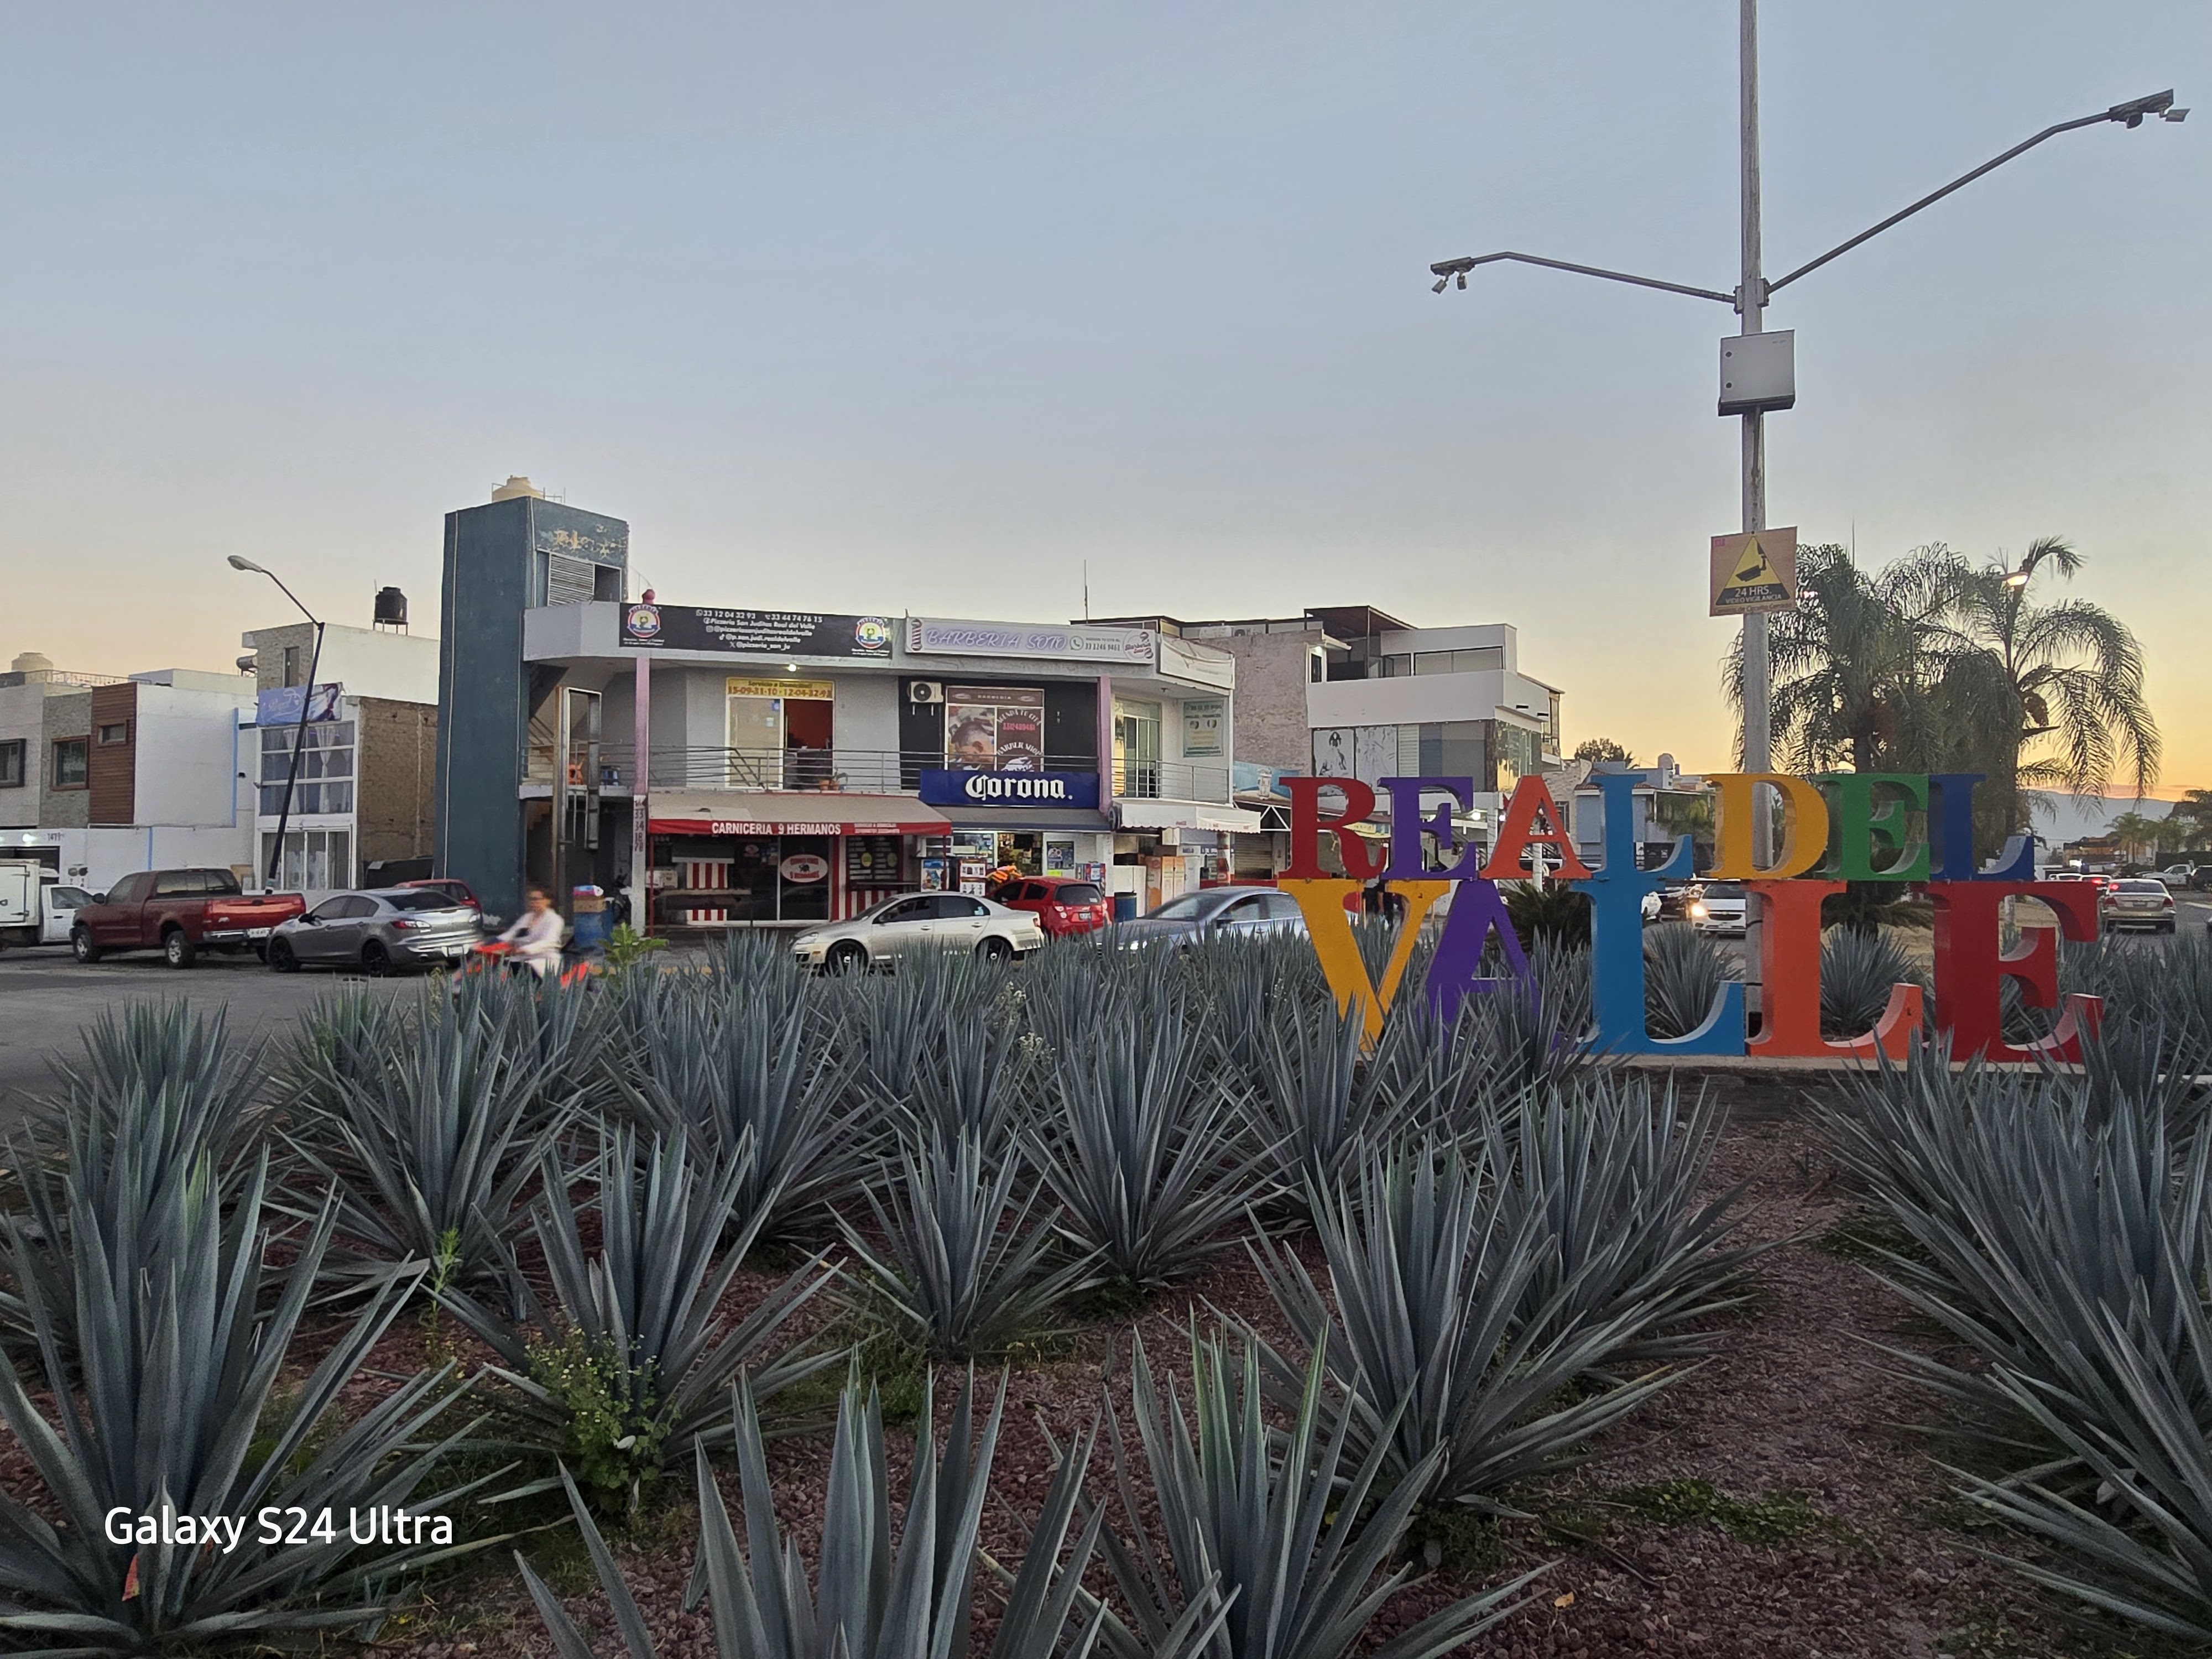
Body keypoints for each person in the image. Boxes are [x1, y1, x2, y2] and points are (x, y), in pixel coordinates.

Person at [497, 885, 566, 978]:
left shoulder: (554, 919)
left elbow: (549, 942)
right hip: (521, 958)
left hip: (543, 959)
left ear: (548, 901)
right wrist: (491, 943)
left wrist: (524, 950)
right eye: (531, 899)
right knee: (501, 966)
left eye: (536, 899)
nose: (533, 902)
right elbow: (510, 934)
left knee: (526, 969)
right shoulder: (526, 918)